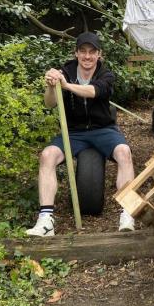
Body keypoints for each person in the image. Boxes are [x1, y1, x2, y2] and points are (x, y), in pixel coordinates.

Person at [26, 32, 136, 236]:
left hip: (103, 130)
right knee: (47, 155)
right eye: (83, 52)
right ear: (76, 53)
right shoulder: (65, 71)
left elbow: (94, 91)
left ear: (99, 55)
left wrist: (65, 85)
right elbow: (50, 103)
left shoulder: (106, 75)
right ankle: (45, 220)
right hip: (73, 132)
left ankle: (127, 212)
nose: (87, 56)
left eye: (92, 52)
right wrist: (52, 86)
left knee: (124, 152)